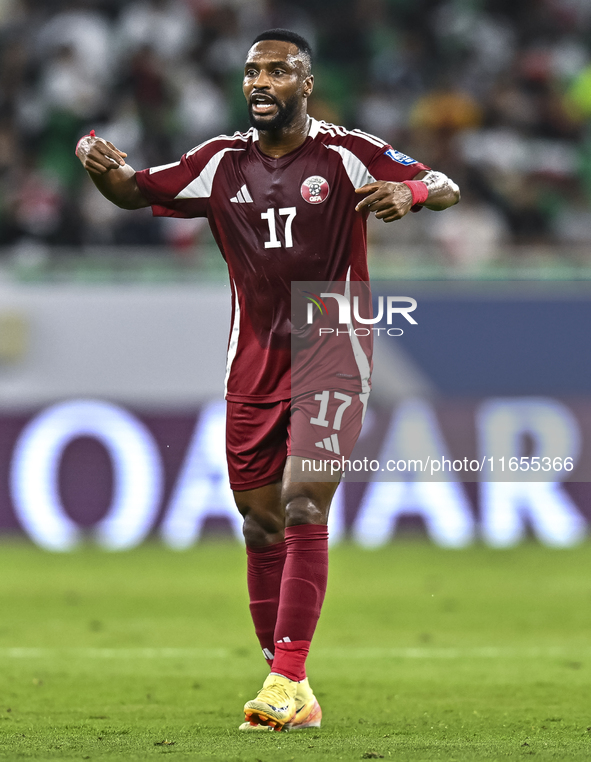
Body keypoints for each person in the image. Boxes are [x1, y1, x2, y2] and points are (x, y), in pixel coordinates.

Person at [76, 28, 460, 732]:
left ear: (305, 84)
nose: (260, 81)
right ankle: (288, 684)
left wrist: (408, 190)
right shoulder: (218, 163)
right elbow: (132, 192)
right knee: (259, 526)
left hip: (330, 336)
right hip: (251, 352)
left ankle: (285, 677)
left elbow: (444, 184)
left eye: (278, 71)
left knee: (304, 505)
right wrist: (99, 167)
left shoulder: (346, 152)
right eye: (253, 70)